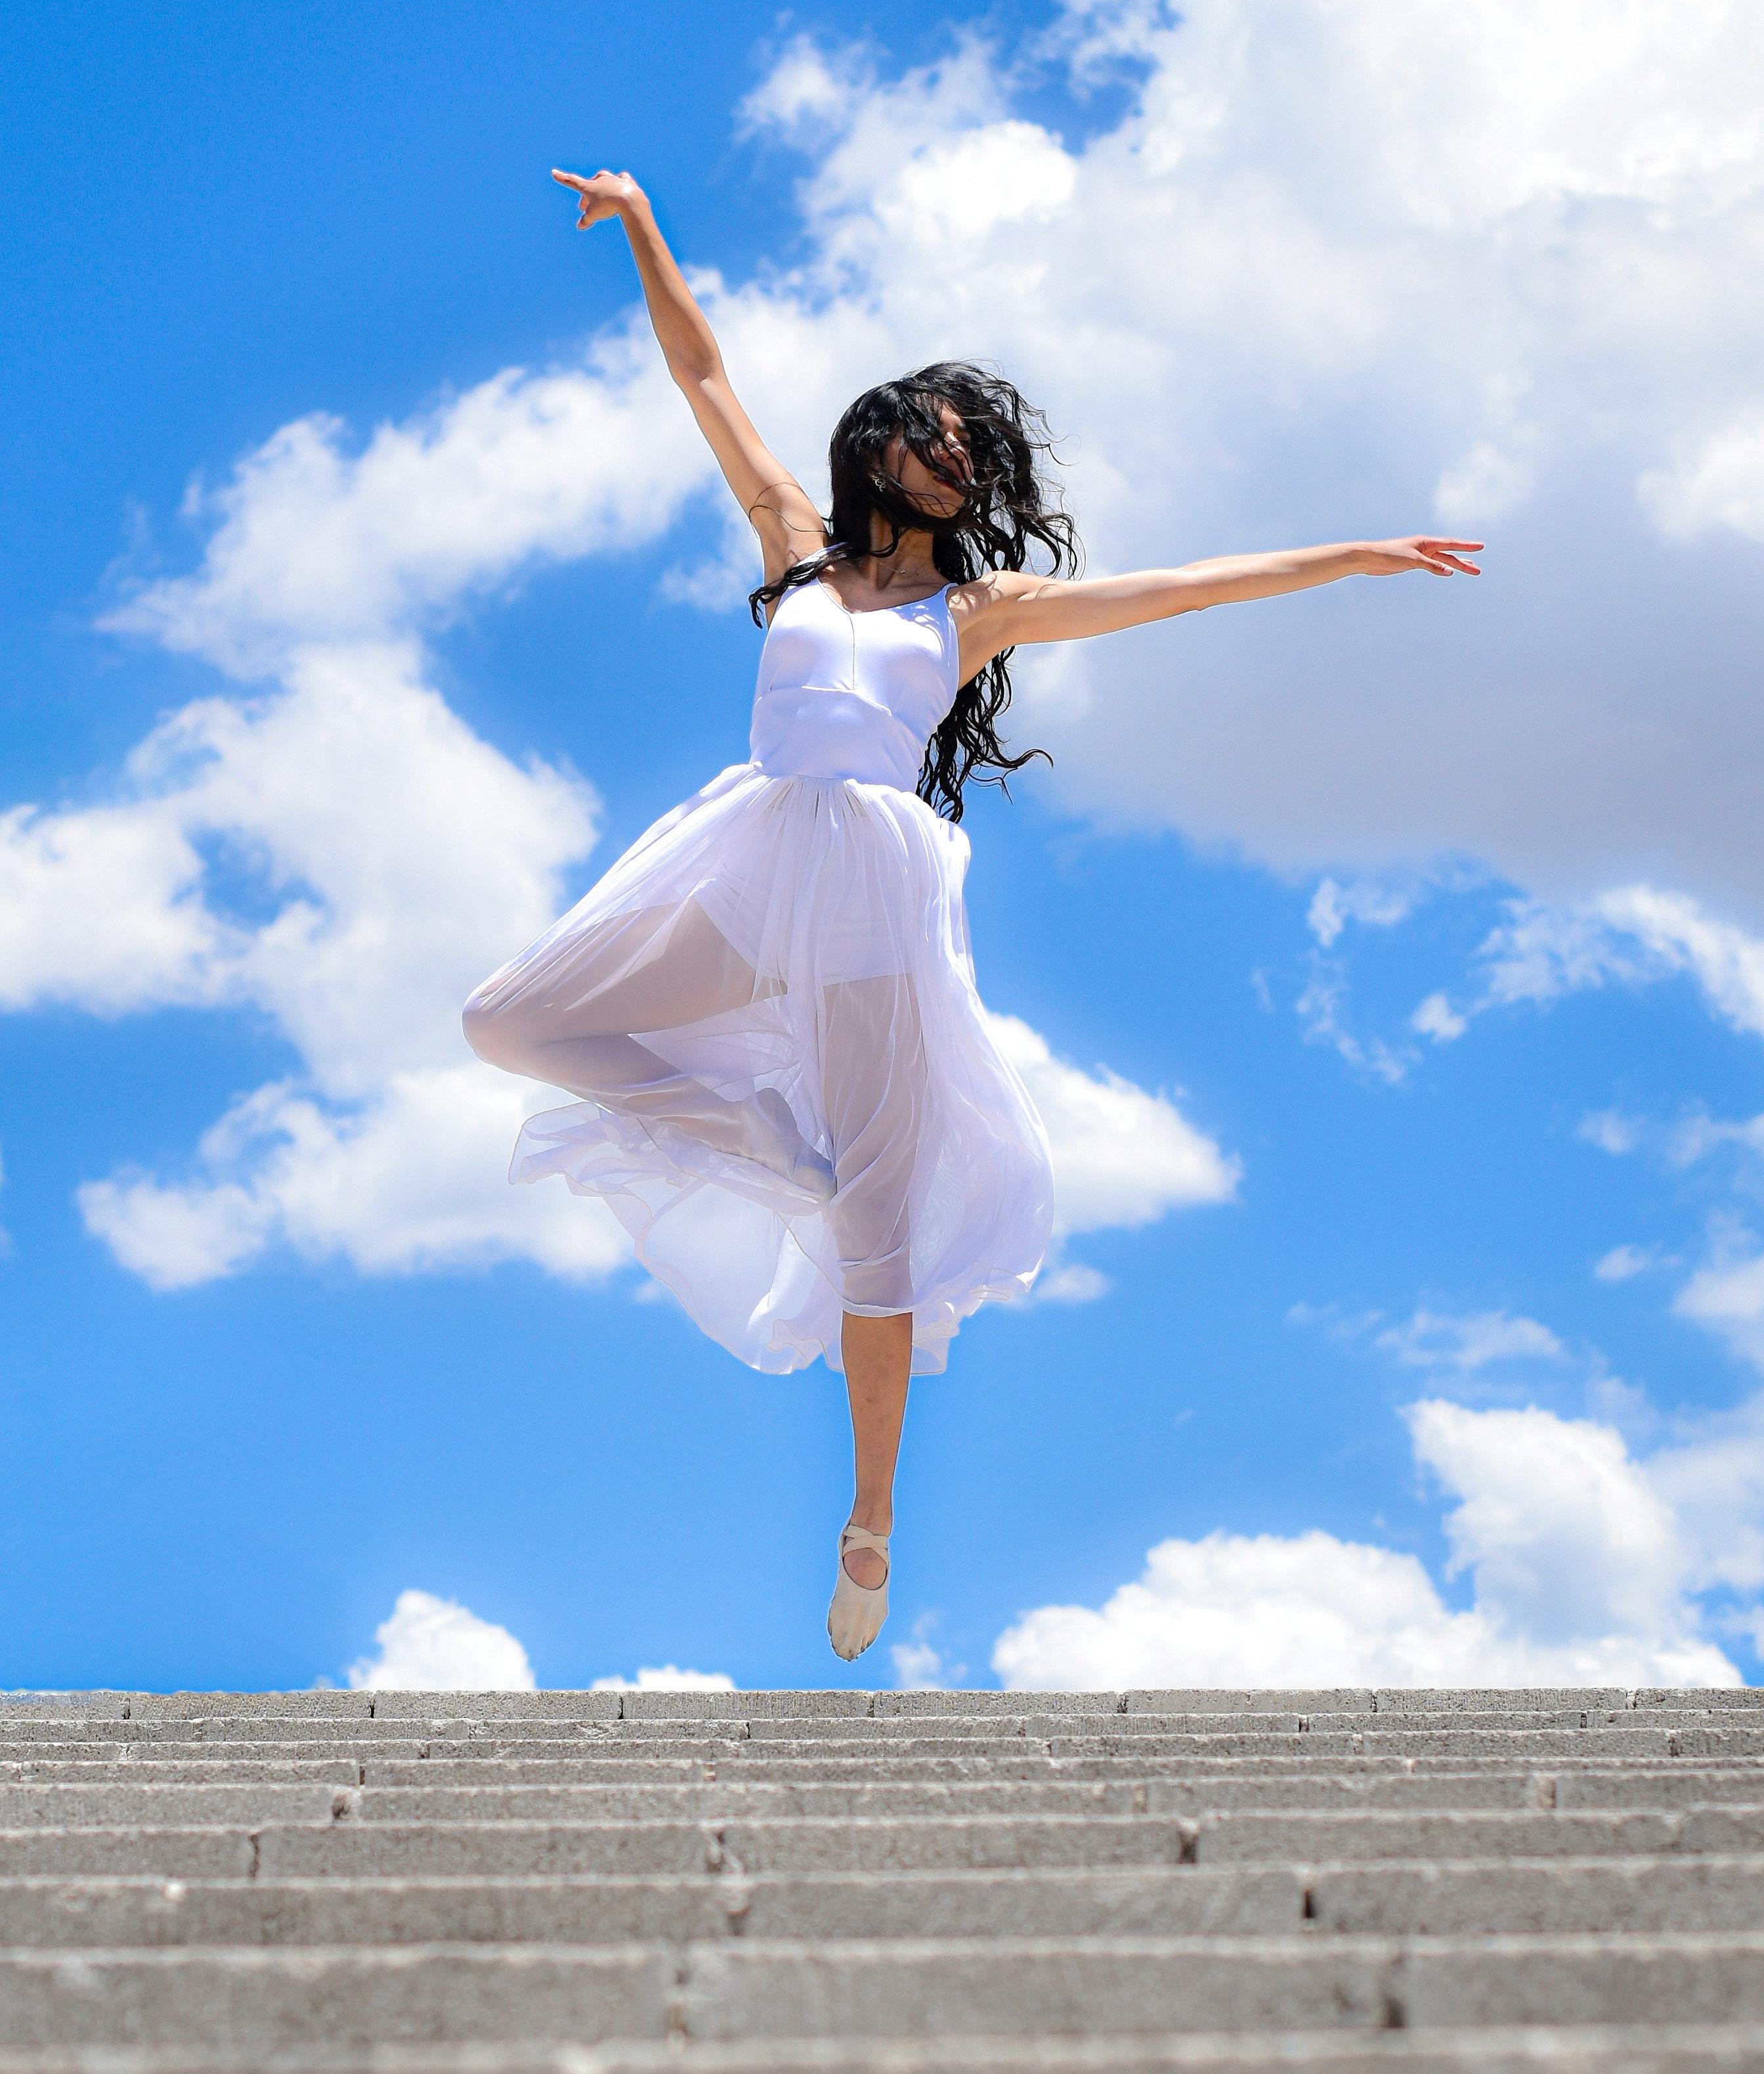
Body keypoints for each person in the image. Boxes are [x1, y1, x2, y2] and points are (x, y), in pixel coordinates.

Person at [463, 166, 1482, 1661]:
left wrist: (1356, 555)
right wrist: (641, 223)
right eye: (930, 438)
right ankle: (774, 1148)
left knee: (881, 1232)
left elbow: (1182, 590)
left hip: (872, 889)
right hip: (750, 861)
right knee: (512, 1020)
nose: (947, 460)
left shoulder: (977, 610)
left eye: (965, 450)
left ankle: (868, 1522)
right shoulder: (796, 550)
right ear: (882, 446)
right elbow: (704, 372)